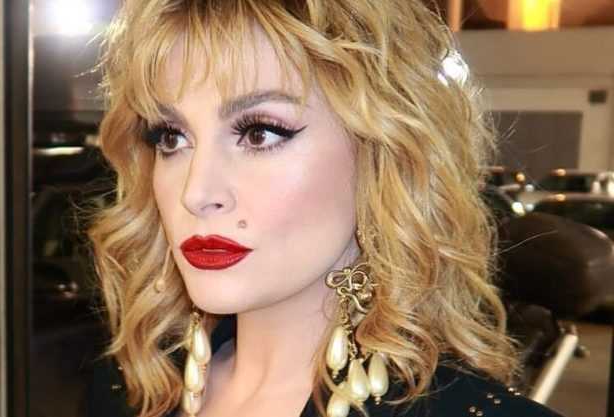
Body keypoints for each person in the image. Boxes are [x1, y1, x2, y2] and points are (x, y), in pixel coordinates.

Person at [85, 1, 566, 417]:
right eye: (171, 137)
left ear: (383, 151)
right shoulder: (128, 391)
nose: (196, 192)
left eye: (259, 133)